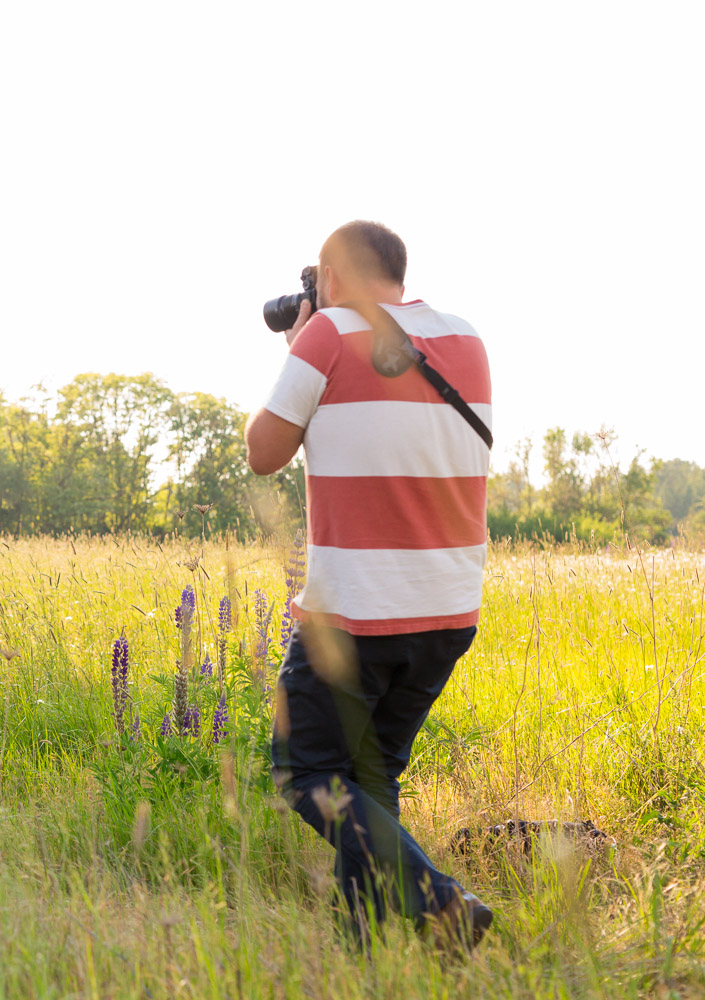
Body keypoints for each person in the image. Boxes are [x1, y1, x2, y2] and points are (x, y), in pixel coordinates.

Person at [245, 221, 493, 952]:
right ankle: (365, 943)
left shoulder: (325, 337)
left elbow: (264, 453)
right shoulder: (467, 340)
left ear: (334, 275)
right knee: (370, 779)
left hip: (355, 616)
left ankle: (443, 903)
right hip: (448, 611)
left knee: (305, 772)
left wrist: (301, 341)